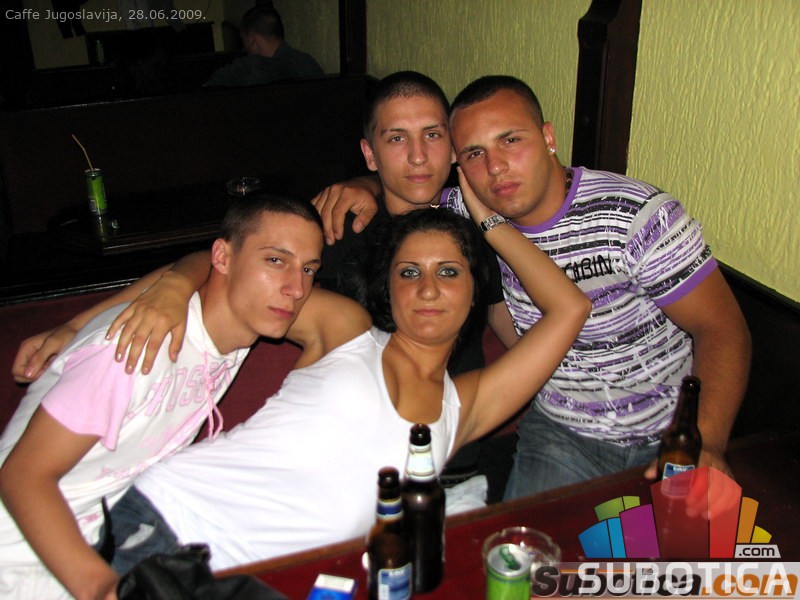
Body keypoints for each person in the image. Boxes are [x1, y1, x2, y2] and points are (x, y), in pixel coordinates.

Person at [313, 75, 752, 500]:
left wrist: (704, 441)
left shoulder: (634, 216)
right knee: (525, 551)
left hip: (671, 430)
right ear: (459, 163)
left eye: (510, 140)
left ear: (548, 137)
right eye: (475, 153)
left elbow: (722, 327)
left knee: (692, 550)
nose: (495, 167)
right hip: (561, 431)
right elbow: (404, 194)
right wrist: (362, 185)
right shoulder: (456, 220)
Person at [102, 203, 589, 573]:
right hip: (170, 525)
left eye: (449, 271)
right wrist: (171, 287)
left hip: (259, 580)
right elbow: (227, 269)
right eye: (409, 272)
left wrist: (486, 217)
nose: (428, 289)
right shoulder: (347, 331)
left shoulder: (465, 406)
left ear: (475, 288)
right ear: (388, 288)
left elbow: (571, 308)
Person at [0, 193, 368, 600]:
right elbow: (22, 476)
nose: (296, 289)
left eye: (309, 269)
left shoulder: (231, 325)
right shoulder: (137, 348)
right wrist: (102, 588)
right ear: (223, 258)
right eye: (275, 260)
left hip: (104, 540)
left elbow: (199, 262)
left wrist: (175, 281)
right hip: (22, 567)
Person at [204, 5, 323, 88]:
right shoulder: (307, 62)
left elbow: (206, 92)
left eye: (242, 38)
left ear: (251, 39)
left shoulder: (247, 69)